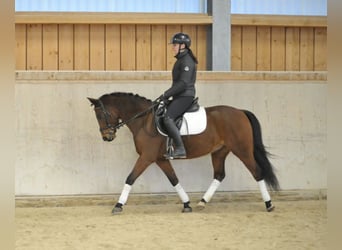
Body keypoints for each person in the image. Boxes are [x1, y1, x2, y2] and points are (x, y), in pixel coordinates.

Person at [160, 32, 198, 159]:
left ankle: (181, 149)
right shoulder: (182, 60)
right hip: (180, 95)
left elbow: (183, 83)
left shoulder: (187, 61)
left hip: (185, 96)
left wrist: (166, 94)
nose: (173, 47)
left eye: (175, 45)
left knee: (168, 118)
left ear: (183, 46)